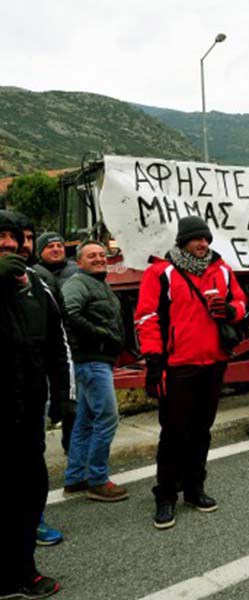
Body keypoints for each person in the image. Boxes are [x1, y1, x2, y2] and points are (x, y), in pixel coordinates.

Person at [135, 216, 247, 530]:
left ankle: (195, 488)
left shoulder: (222, 270)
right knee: (173, 433)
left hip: (213, 363)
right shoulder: (160, 272)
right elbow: (147, 318)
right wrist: (154, 360)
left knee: (201, 430)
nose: (203, 244)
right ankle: (166, 495)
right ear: (183, 241)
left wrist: (231, 310)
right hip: (177, 366)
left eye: (207, 239)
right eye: (197, 239)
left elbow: (242, 303)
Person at [0, 210, 70, 599]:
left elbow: (58, 345)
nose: (10, 243)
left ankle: (21, 572)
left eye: (15, 237)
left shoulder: (38, 285)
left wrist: (64, 395)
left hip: (26, 415)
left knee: (28, 493)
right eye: (1, 236)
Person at [62, 241, 128, 502]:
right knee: (107, 418)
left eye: (102, 254)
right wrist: (100, 335)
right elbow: (69, 312)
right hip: (91, 361)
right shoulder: (78, 283)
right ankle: (98, 480)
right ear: (79, 262)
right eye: (92, 256)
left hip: (95, 361)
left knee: (86, 420)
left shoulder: (98, 283)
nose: (100, 258)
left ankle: (75, 477)